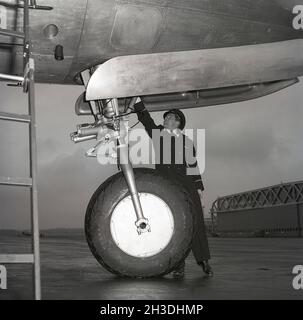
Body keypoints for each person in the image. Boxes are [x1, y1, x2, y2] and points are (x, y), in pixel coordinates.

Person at [134, 99, 213, 277]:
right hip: (166, 186)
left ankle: (204, 261)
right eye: (166, 117)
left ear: (178, 122)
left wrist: (199, 188)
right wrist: (138, 103)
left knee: (197, 223)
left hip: (187, 185)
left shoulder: (187, 141)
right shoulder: (158, 133)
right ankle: (178, 264)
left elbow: (193, 165)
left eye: (170, 117)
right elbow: (146, 120)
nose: (166, 119)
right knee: (174, 224)